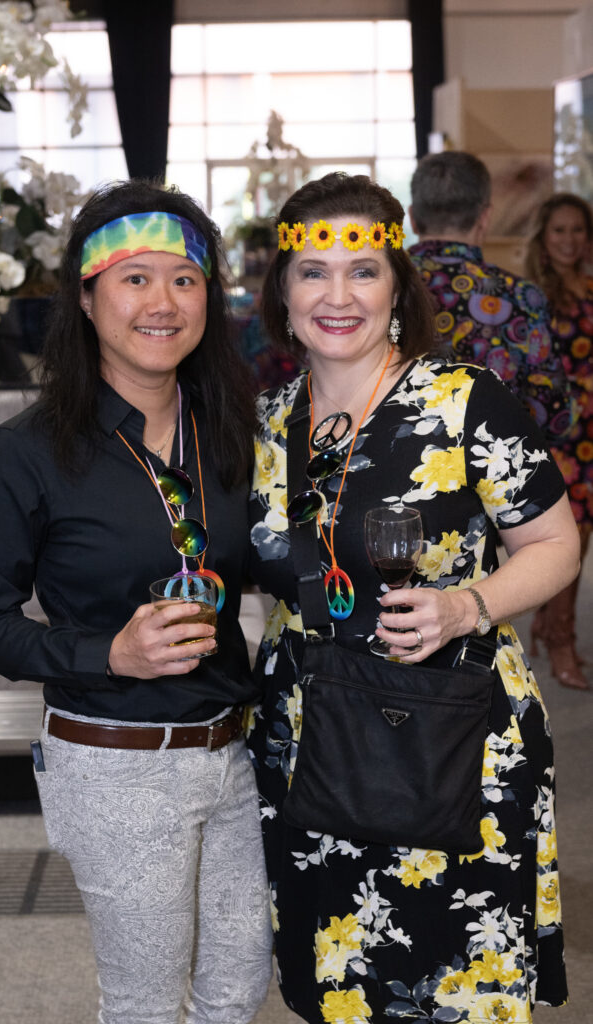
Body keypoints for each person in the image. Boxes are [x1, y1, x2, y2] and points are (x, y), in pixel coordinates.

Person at [247, 171, 579, 1024]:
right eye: (311, 272)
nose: (337, 294)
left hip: (450, 733)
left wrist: (467, 604)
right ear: (281, 294)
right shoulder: (263, 421)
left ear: (396, 285)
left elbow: (554, 547)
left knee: (454, 986)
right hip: (309, 740)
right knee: (339, 986)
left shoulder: (465, 402)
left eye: (361, 271)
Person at [0, 179, 272, 1024]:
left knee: (238, 989)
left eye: (184, 277)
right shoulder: (26, 452)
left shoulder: (230, 432)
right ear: (87, 298)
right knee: (143, 1005)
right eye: (134, 278)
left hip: (233, 752)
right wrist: (109, 653)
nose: (162, 302)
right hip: (115, 764)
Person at [408, 151, 574, 445]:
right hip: (493, 479)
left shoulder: (378, 288)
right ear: (485, 217)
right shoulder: (521, 297)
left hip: (391, 473)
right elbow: (553, 417)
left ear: (413, 218)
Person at [525, 192, 593, 690]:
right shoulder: (535, 298)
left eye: (577, 230)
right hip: (560, 435)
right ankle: (561, 640)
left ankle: (549, 626)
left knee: (582, 538)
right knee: (569, 536)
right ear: (544, 241)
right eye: (559, 231)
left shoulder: (591, 289)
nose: (570, 240)